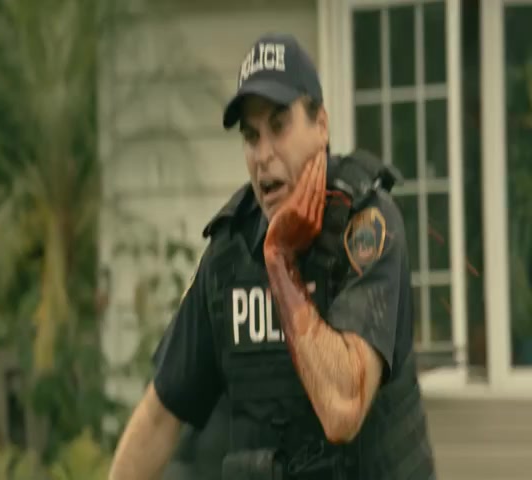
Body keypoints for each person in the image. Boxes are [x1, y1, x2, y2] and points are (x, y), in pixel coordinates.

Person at [108, 32, 437, 480]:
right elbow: (160, 414)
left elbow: (343, 409)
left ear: (321, 126)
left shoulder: (366, 226)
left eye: (279, 127)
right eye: (251, 136)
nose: (263, 155)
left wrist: (280, 265)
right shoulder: (230, 253)